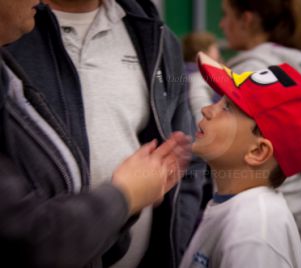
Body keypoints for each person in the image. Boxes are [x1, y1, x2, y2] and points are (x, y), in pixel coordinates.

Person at [5, 0, 206, 267]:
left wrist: (175, 249)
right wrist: (125, 195)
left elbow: (187, 159)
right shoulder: (12, 29)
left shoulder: (153, 34)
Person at [179, 52, 301, 268]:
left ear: (258, 152)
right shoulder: (237, 207)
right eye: (218, 100)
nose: (207, 109)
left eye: (227, 108)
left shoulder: (253, 235)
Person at [218, 0, 301, 241]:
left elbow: (227, 140)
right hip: (293, 201)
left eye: (226, 15)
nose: (222, 25)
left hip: (256, 211)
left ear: (247, 19)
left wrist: (196, 92)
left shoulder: (253, 72)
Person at [182, 31, 221, 125]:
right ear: (203, 53)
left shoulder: (182, 72)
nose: (218, 54)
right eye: (215, 49)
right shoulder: (202, 77)